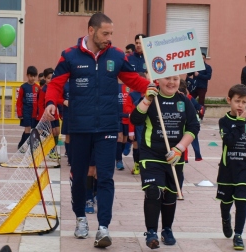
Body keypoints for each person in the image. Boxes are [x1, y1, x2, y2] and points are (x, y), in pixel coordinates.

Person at [44, 13, 153, 248]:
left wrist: (152, 87)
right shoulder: (70, 55)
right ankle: (81, 218)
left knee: (105, 177)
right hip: (79, 126)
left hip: (107, 126)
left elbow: (133, 79)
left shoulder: (115, 56)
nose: (109, 38)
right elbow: (55, 84)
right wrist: (51, 102)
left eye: (111, 33)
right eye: (105, 33)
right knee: (80, 176)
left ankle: (103, 227)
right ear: (91, 30)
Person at [130, 75, 200, 249]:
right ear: (158, 80)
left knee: (170, 195)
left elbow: (193, 127)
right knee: (153, 191)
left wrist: (179, 149)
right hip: (151, 154)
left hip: (174, 157)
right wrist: (146, 100)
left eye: (175, 79)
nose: (171, 82)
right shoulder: (150, 97)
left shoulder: (184, 101)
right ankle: (151, 232)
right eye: (167, 78)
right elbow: (135, 119)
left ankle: (167, 229)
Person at [216, 84, 246, 251]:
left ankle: (239, 235)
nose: (240, 105)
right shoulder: (224, 122)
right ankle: (225, 218)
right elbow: (230, 141)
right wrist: (239, 123)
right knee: (226, 202)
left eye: (244, 102)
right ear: (229, 101)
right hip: (227, 170)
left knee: (241, 202)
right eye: (237, 101)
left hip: (244, 170)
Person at [16, 66, 40, 149]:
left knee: (31, 129)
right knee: (28, 128)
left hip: (34, 112)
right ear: (27, 75)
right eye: (31, 76)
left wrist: (38, 112)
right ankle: (27, 147)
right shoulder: (23, 87)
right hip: (26, 112)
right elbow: (19, 101)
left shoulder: (38, 87)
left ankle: (21, 144)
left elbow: (39, 101)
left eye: (34, 76)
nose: (33, 78)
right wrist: (19, 113)